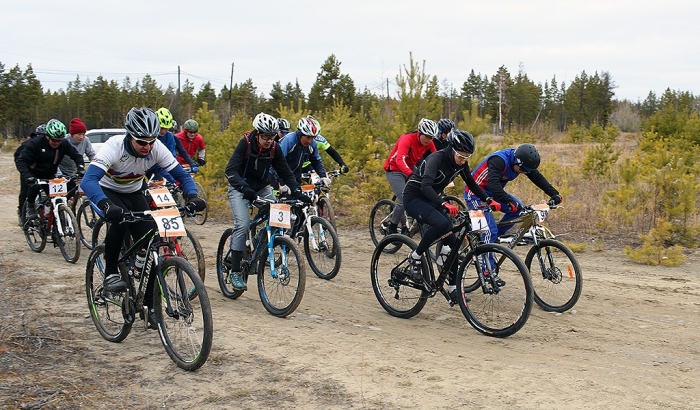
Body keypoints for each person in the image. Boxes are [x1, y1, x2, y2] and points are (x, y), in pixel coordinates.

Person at [80, 107, 206, 329]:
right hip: (106, 191)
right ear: (129, 136)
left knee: (152, 242)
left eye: (151, 141)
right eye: (142, 142)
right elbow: (88, 181)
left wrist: (193, 196)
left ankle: (150, 307)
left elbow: (181, 176)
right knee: (119, 222)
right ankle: (110, 273)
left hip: (134, 192)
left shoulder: (156, 148)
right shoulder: (114, 147)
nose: (147, 147)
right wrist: (105, 204)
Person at [402, 129, 497, 299]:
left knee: (454, 246)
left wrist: (489, 200)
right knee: (441, 224)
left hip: (431, 199)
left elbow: (473, 185)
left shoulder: (461, 163)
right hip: (414, 198)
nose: (463, 161)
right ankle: (415, 257)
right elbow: (425, 187)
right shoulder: (436, 158)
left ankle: (453, 288)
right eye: (460, 156)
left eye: (467, 157)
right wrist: (444, 203)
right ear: (451, 149)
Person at [223, 112, 311, 290]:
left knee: (279, 218)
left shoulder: (274, 148)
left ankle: (256, 243)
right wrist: (245, 189)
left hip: (262, 188)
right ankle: (235, 271)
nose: (269, 140)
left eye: (272, 137)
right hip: (240, 188)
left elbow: (286, 172)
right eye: (265, 137)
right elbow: (230, 171)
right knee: (243, 224)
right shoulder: (246, 143)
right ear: (257, 133)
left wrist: (297, 192)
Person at [464, 143, 562, 246]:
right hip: (475, 193)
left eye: (526, 171)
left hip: (493, 192)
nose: (524, 172)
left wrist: (554, 194)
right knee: (489, 231)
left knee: (517, 210)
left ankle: (490, 242)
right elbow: (492, 184)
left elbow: (537, 178)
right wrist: (508, 200)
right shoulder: (499, 160)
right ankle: (485, 256)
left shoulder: (523, 163)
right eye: (522, 170)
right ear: (516, 161)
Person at [16, 119, 85, 221]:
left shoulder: (64, 144)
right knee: (34, 186)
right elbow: (21, 160)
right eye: (54, 140)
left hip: (49, 173)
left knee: (58, 196)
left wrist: (80, 168)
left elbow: (77, 156)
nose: (57, 143)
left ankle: (55, 223)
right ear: (47, 136)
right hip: (33, 171)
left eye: (59, 140)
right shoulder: (35, 143)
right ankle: (30, 206)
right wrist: (27, 176)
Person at [382, 118, 439, 235]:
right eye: (427, 136)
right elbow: (399, 160)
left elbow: (436, 158)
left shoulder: (429, 142)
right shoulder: (406, 139)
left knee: (423, 191)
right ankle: (392, 226)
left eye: (431, 137)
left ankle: (411, 221)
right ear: (419, 132)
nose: (429, 140)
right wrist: (410, 174)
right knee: (404, 199)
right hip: (394, 169)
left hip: (409, 167)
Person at [273, 115, 332, 190]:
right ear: (300, 134)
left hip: (294, 176)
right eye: (308, 137)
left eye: (313, 138)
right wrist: (281, 182)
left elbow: (316, 161)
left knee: (302, 199)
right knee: (286, 199)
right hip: (276, 174)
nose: (310, 141)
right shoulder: (289, 140)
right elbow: (277, 162)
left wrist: (323, 176)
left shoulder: (312, 144)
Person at [151, 107, 198, 180]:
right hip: (150, 167)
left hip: (165, 165)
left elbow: (179, 153)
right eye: (161, 128)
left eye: (166, 128)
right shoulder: (149, 136)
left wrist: (192, 163)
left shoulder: (170, 137)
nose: (163, 131)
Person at [15, 124, 46, 221]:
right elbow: (18, 158)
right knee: (25, 190)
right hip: (27, 169)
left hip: (40, 169)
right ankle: (21, 213)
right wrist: (25, 172)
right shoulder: (26, 145)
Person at [58, 118, 96, 197]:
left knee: (73, 194)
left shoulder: (86, 140)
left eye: (83, 134)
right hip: (60, 170)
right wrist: (59, 174)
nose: (81, 137)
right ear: (72, 134)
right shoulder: (64, 141)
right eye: (79, 134)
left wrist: (96, 166)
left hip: (74, 170)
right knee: (59, 196)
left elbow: (91, 154)